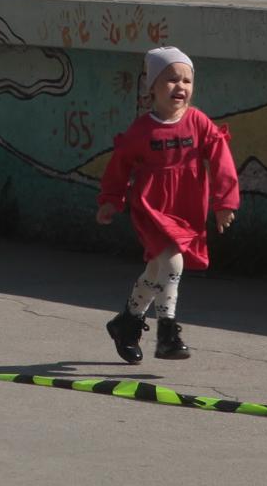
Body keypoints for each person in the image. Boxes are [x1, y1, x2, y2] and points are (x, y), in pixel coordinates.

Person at [96, 47, 240, 365]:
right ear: (153, 86)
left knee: (156, 270)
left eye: (187, 80)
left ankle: (126, 323)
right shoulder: (141, 130)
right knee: (173, 263)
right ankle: (167, 334)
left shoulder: (198, 123)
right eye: (172, 79)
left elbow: (221, 162)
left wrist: (224, 202)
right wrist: (110, 200)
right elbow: (119, 167)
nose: (181, 87)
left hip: (186, 207)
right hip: (151, 209)